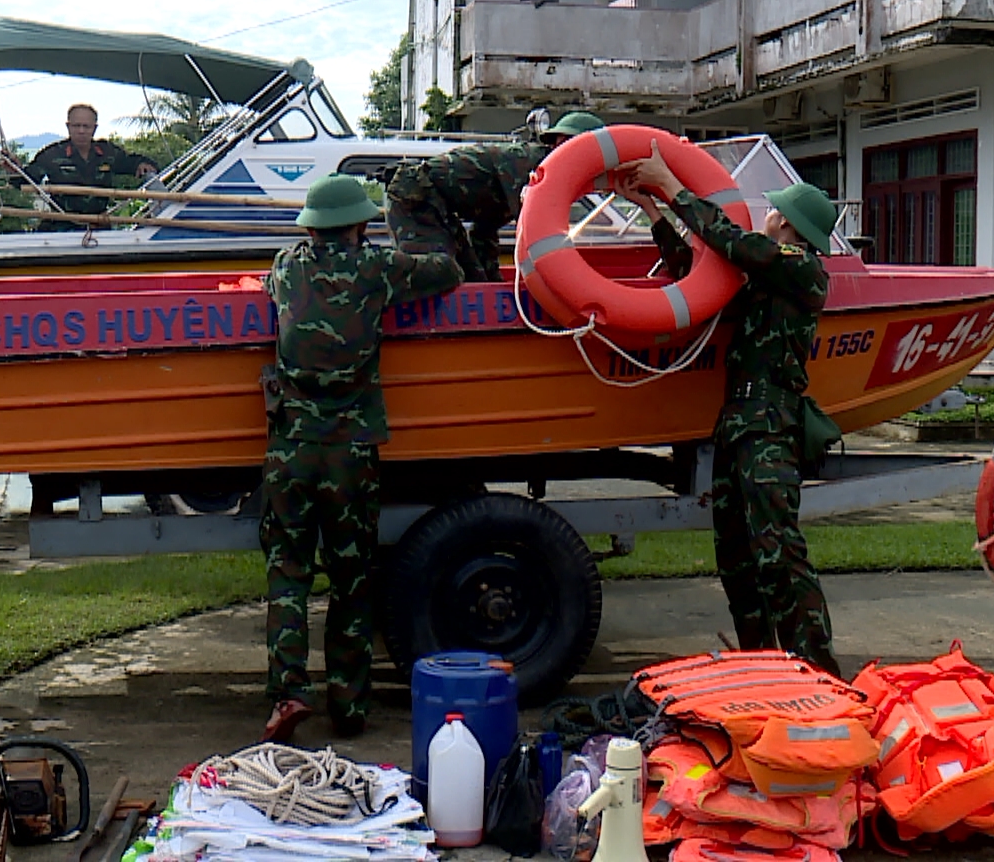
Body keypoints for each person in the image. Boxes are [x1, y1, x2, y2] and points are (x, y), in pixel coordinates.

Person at [615, 153, 840, 677]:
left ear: (786, 224)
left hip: (767, 429)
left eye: (771, 211)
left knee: (778, 555)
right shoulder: (767, 276)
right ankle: (763, 664)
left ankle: (819, 671)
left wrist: (673, 185)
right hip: (739, 428)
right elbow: (695, 274)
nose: (764, 215)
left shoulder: (802, 271)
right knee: (738, 559)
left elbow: (730, 242)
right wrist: (653, 210)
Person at [257, 175, 462, 742]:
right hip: (349, 451)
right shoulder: (376, 269)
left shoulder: (285, 267)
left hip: (290, 450)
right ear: (360, 223)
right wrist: (416, 228)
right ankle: (348, 707)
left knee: (288, 576)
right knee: (351, 581)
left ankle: (288, 695)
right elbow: (447, 273)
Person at [384, 110, 605, 281]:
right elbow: (531, 230)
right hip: (414, 194)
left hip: (439, 205)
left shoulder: (537, 180)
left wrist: (492, 280)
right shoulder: (529, 165)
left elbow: (484, 231)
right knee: (439, 273)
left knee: (472, 278)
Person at [22, 103, 159, 231]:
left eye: (86, 126)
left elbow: (133, 162)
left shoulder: (108, 152)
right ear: (68, 127)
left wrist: (143, 165)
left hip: (99, 226)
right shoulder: (52, 154)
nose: (81, 131)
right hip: (61, 226)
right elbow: (26, 179)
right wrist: (13, 168)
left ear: (94, 128)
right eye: (76, 126)